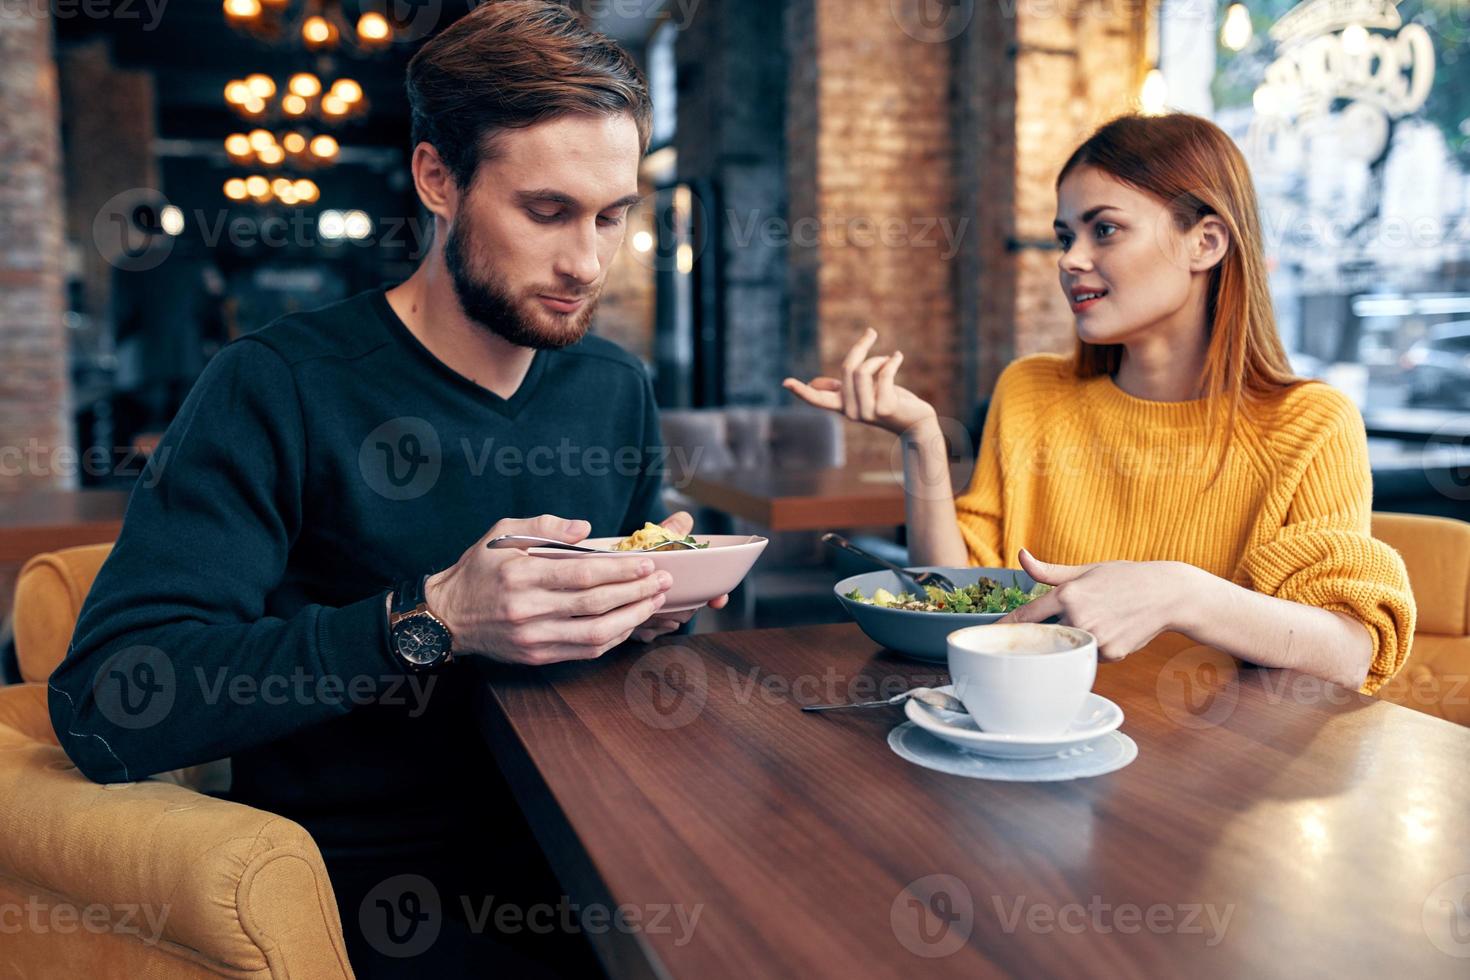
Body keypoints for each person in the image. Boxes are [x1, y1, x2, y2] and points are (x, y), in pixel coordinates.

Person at [48, 3, 722, 975]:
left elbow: (625, 652)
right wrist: (429, 615)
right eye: (547, 210)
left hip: (606, 842)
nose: (588, 260)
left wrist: (653, 602)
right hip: (379, 891)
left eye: (612, 214)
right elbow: (106, 706)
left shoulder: (614, 385)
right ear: (436, 177)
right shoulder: (276, 383)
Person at [787, 113, 1414, 695]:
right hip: (1035, 740)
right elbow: (957, 602)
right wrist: (921, 439)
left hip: (1213, 779)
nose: (1070, 260)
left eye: (1104, 229)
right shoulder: (1031, 392)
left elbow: (1349, 650)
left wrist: (1181, 593)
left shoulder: (1309, 423)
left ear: (1206, 243)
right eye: (1066, 235)